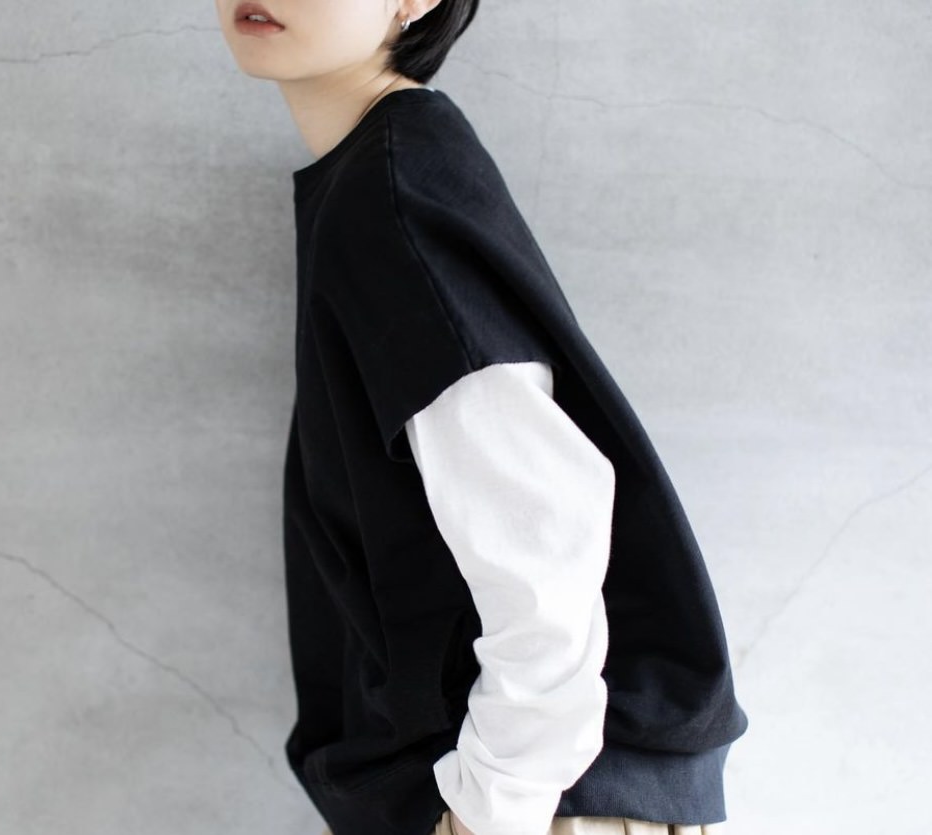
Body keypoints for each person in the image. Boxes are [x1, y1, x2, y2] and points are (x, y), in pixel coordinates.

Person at [213, 2, 750, 835]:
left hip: (537, 799)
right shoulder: (381, 173)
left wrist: (491, 806)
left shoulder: (392, 193)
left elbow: (548, 530)